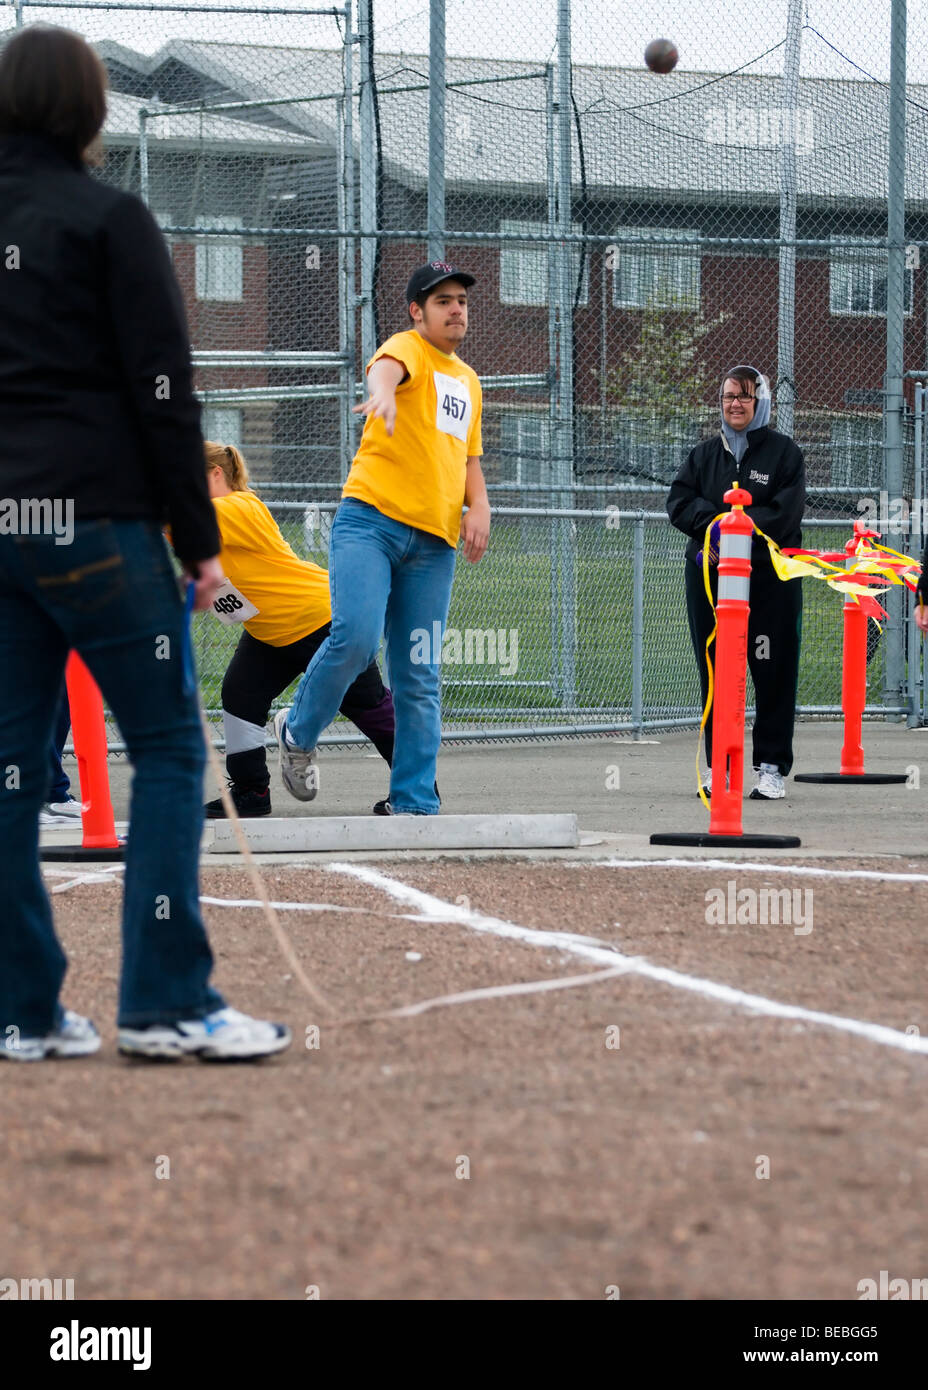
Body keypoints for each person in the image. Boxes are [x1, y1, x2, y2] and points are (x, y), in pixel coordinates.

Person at [0, 25, 290, 1061]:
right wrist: (200, 544)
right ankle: (165, 1001)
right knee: (168, 749)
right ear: (89, 110)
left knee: (8, 771)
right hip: (95, 519)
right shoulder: (109, 218)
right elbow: (166, 394)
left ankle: (22, 1009)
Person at [274, 261, 491, 815]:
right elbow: (385, 371)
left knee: (419, 672)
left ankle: (413, 803)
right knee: (356, 637)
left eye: (461, 300)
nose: (456, 308)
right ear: (418, 311)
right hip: (370, 523)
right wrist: (384, 394)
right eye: (443, 301)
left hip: (433, 546)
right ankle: (298, 731)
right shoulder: (408, 349)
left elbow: (468, 457)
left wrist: (480, 507)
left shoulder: (468, 381)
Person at [199, 440, 395, 817]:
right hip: (268, 628)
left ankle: (414, 788)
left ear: (216, 474)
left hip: (314, 617)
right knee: (240, 695)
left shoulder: (239, 506)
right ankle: (251, 794)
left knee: (367, 704)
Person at [667, 366, 805, 800]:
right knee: (716, 671)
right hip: (712, 581)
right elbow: (679, 502)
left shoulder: (785, 454)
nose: (735, 404)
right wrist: (718, 525)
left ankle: (770, 768)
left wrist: (742, 527)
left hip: (769, 583)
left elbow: (786, 514)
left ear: (760, 402)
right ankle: (719, 766)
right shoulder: (704, 455)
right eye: (729, 396)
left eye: (745, 396)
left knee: (772, 671)